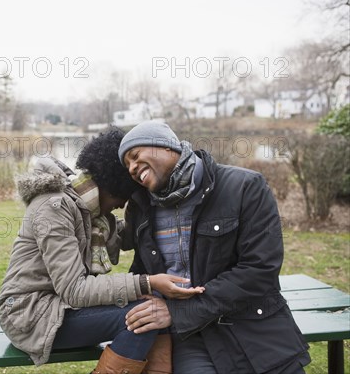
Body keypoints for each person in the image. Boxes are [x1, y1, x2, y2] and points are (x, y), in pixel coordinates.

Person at [0, 127, 204, 374]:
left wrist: (170, 219)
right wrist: (148, 282)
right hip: (29, 315)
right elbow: (75, 290)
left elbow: (128, 234)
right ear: (113, 184)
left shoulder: (89, 211)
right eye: (123, 198)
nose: (122, 205)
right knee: (145, 316)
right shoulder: (55, 207)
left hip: (57, 307)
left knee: (153, 310)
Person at [117, 121, 311, 374]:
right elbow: (142, 269)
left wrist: (179, 311)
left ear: (163, 145)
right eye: (127, 166)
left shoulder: (244, 186)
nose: (132, 168)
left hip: (254, 327)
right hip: (189, 337)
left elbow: (260, 269)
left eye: (134, 156)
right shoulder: (141, 207)